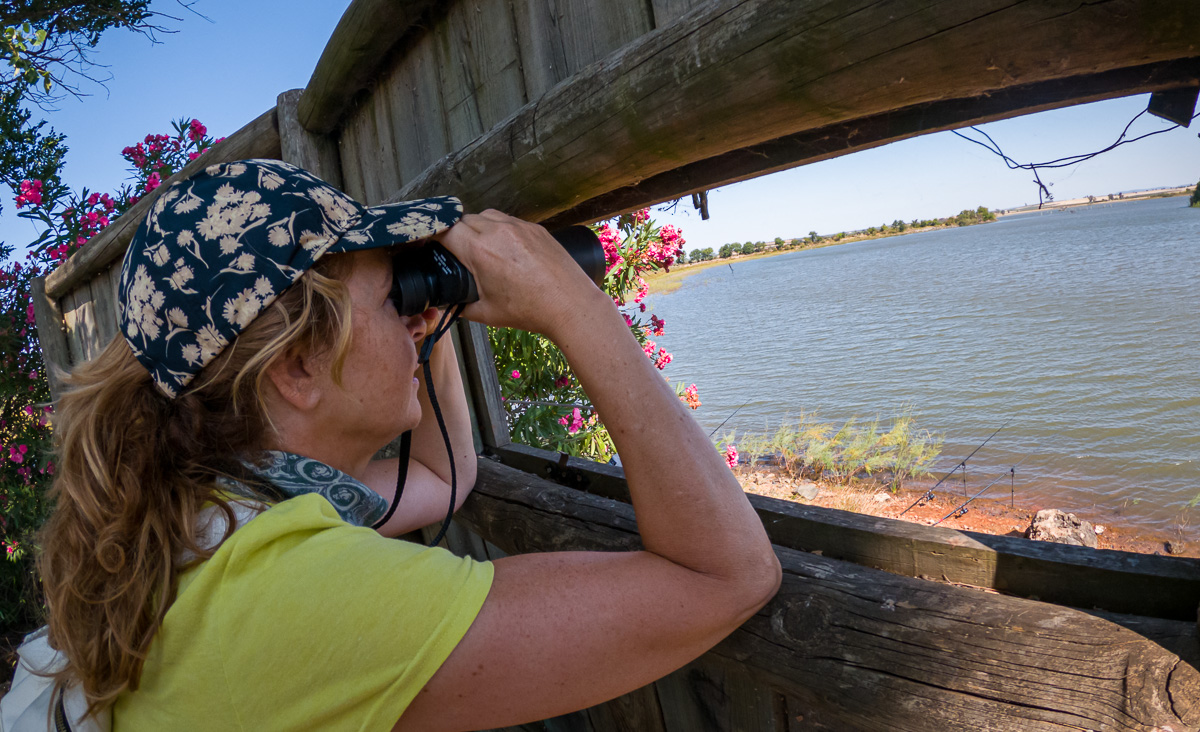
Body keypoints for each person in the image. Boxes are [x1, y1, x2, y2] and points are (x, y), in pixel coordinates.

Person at [34, 159, 781, 731]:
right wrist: (572, 306)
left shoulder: (208, 514)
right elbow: (726, 576)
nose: (416, 318)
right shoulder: (302, 601)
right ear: (298, 369)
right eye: (394, 301)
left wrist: (421, 320)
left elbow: (439, 476)